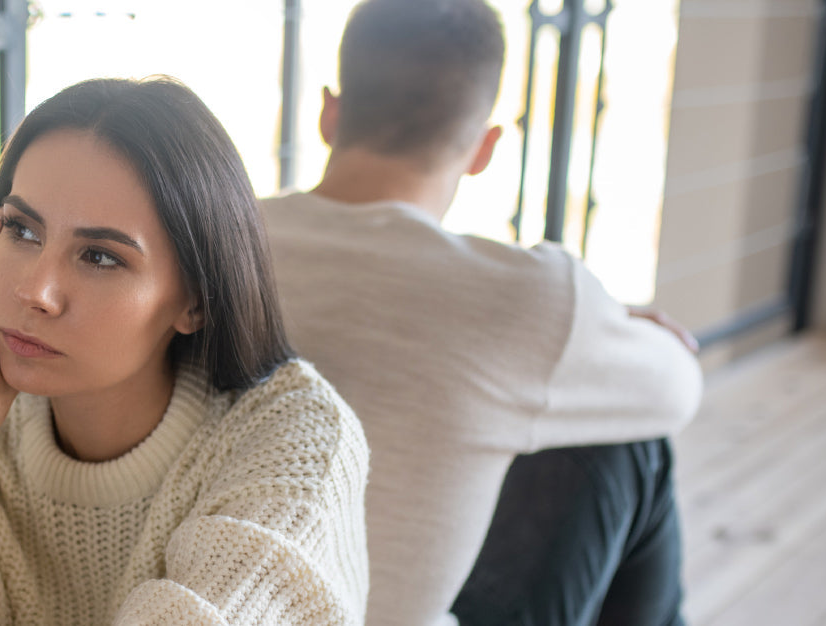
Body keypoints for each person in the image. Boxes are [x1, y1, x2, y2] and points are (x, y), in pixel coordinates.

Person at [0, 77, 370, 625]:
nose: (35, 292)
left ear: (196, 301)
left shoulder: (295, 441)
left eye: (101, 256)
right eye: (22, 231)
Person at [261, 1, 703, 625]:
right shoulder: (527, 297)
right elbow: (678, 389)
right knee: (630, 445)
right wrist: (613, 331)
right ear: (485, 148)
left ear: (329, 113)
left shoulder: (223, 240)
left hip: (220, 599)